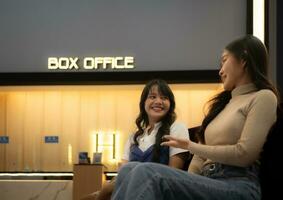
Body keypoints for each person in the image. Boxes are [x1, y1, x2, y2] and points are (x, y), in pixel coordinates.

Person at [111, 35, 280, 200]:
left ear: (243, 59)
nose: (220, 71)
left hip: (238, 184)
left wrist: (191, 146)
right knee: (128, 170)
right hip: (208, 181)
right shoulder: (222, 105)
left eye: (224, 60)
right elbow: (199, 159)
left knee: (145, 172)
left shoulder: (263, 97)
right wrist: (186, 182)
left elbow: (245, 154)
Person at [81, 79, 190, 200]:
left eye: (164, 98)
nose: (158, 101)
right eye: (152, 97)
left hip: (158, 191)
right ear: (143, 103)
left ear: (171, 104)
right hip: (128, 189)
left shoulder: (177, 128)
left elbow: (173, 174)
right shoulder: (134, 136)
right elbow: (123, 172)